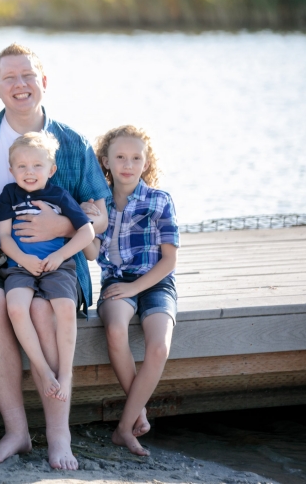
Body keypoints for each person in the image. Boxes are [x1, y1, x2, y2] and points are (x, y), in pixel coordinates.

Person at [0, 43, 111, 470]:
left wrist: (61, 227)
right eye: (9, 77)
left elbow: (99, 214)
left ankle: (59, 435)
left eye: (28, 75)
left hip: (59, 261)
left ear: (43, 82)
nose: (20, 84)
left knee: (43, 310)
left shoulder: (72, 143)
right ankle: (17, 431)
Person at [90, 125, 179, 457]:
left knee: (158, 347)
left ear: (146, 162)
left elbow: (169, 260)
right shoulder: (99, 204)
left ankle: (123, 429)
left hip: (156, 282)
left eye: (136, 158)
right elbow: (90, 254)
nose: (128, 165)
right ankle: (137, 413)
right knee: (115, 329)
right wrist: (86, 224)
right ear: (106, 161)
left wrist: (137, 286)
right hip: (116, 281)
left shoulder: (159, 201)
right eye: (120, 157)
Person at [0, 132, 94, 403]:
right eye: (22, 166)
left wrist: (61, 256)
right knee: (16, 308)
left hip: (57, 266)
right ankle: (42, 368)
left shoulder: (59, 195)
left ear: (51, 170)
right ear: (11, 170)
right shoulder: (9, 195)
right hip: (20, 266)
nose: (29, 172)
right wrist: (23, 259)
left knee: (65, 307)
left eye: (37, 165)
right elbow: (3, 236)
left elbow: (87, 232)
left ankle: (66, 373)